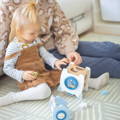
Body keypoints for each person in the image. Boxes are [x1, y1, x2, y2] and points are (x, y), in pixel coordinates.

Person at [0, 2, 109, 107]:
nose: (36, 35)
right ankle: (12, 97)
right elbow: (7, 68)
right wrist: (22, 75)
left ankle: (91, 82)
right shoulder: (14, 47)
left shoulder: (35, 40)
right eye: (32, 33)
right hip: (28, 80)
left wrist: (55, 62)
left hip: (43, 73)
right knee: (44, 91)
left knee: (64, 73)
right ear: (19, 30)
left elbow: (45, 55)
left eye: (37, 32)